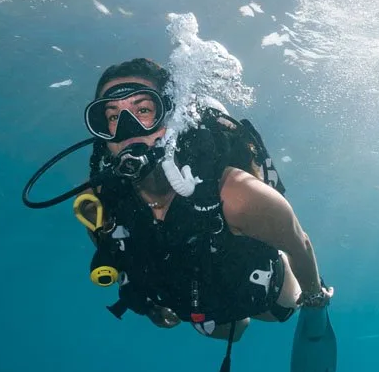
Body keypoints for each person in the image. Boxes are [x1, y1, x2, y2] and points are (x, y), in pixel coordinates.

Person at [76, 58, 333, 340]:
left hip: (263, 292)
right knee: (228, 332)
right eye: (112, 116)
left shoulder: (239, 194)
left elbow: (299, 243)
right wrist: (150, 301)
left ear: (171, 117)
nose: (127, 128)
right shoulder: (94, 202)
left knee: (282, 310)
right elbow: (114, 248)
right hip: (200, 306)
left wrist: (314, 298)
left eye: (144, 109)